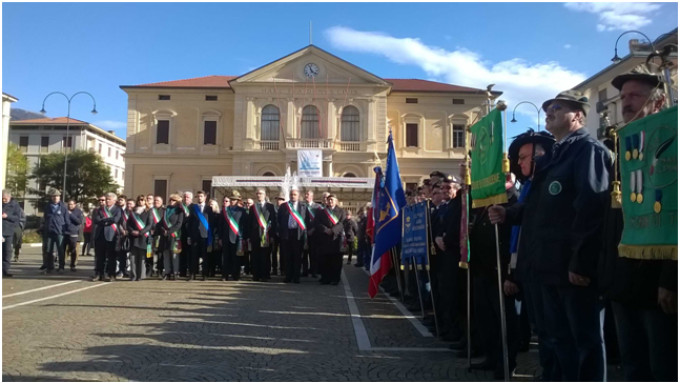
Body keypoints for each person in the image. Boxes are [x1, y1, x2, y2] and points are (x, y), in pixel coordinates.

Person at [490, 90, 611, 381]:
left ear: (578, 115)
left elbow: (591, 208)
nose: (549, 112)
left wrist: (580, 262)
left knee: (583, 344)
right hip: (544, 268)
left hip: (569, 269)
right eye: (547, 108)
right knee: (555, 341)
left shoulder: (588, 150)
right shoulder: (556, 155)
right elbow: (538, 207)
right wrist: (510, 213)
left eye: (557, 108)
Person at [602, 68, 677, 382]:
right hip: (623, 278)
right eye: (623, 98)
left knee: (662, 366)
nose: (626, 103)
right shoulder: (623, 150)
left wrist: (671, 279)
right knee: (633, 366)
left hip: (657, 281)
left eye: (635, 96)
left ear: (657, 104)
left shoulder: (671, 144)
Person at [505, 129, 557, 380]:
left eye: (525, 157)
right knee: (543, 330)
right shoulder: (528, 186)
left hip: (548, 266)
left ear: (540, 157)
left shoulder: (544, 183)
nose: (520, 162)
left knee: (554, 333)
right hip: (529, 267)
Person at [277, 188, 310, 284]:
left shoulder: (303, 207)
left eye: (295, 194)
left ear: (298, 196)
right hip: (287, 234)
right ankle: (288, 276)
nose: (293, 196)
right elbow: (279, 219)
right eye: (291, 194)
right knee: (287, 256)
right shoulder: (284, 206)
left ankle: (296, 277)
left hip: (298, 234)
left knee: (297, 256)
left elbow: (306, 221)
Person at [218, 191, 248, 281]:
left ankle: (236, 275)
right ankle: (225, 275)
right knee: (226, 257)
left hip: (237, 237)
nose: (232, 201)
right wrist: (220, 237)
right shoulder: (224, 211)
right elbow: (220, 225)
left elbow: (245, 225)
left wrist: (244, 238)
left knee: (236, 258)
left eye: (234, 200)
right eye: (231, 199)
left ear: (238, 201)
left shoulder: (242, 211)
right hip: (226, 237)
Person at [316, 194, 346, 285]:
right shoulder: (322, 212)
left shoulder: (341, 211)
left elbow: (342, 223)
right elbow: (317, 223)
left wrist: (333, 230)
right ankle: (325, 278)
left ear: (336, 201)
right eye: (329, 200)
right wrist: (326, 230)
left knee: (336, 261)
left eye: (332, 200)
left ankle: (335, 279)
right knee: (325, 260)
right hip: (324, 239)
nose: (330, 201)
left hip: (336, 239)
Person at [248, 188, 277, 282]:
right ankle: (256, 275)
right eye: (257, 194)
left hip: (266, 234)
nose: (258, 195)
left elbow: (273, 221)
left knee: (266, 256)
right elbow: (250, 222)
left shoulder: (270, 206)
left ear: (264, 195)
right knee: (255, 256)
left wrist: (272, 235)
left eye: (260, 193)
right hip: (255, 235)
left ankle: (265, 274)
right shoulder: (253, 207)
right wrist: (249, 236)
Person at [92, 192, 122, 281]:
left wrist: (104, 220)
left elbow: (116, 219)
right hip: (100, 235)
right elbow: (97, 220)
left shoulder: (117, 209)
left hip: (111, 235)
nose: (107, 201)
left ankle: (111, 274)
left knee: (111, 257)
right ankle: (99, 273)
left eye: (109, 199)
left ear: (114, 200)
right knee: (100, 256)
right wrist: (107, 220)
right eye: (106, 199)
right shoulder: (100, 209)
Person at [186, 190, 213, 281]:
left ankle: (205, 274)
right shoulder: (193, 208)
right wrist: (189, 235)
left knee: (205, 256)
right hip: (195, 235)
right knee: (194, 256)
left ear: (205, 197)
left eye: (201, 196)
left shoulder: (209, 209)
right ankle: (192, 274)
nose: (200, 198)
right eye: (198, 196)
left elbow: (211, 223)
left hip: (205, 235)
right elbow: (189, 222)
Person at [157, 193, 184, 280]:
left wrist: (169, 231)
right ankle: (167, 272)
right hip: (164, 235)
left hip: (174, 235)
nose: (171, 201)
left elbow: (179, 224)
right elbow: (161, 222)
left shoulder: (179, 211)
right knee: (166, 254)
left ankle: (175, 273)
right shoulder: (165, 210)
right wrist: (163, 230)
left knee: (174, 255)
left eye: (174, 200)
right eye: (170, 200)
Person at [41, 189, 69, 274]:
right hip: (49, 232)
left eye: (57, 196)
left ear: (59, 197)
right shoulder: (48, 207)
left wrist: (66, 231)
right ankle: (49, 267)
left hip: (59, 232)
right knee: (49, 250)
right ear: (51, 197)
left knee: (60, 250)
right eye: (53, 196)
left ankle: (61, 267)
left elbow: (67, 219)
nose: (55, 198)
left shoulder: (63, 207)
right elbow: (45, 218)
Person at [127, 195, 152, 281]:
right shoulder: (133, 211)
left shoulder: (148, 211)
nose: (140, 201)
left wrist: (141, 232)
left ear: (145, 201)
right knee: (133, 257)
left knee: (141, 258)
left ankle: (140, 276)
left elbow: (149, 224)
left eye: (142, 200)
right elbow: (128, 224)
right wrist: (131, 231)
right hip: (133, 237)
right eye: (139, 200)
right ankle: (133, 275)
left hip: (143, 237)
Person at [2, 189, 22, 277]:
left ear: (9, 197)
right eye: (2, 198)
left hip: (8, 231)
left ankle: (4, 270)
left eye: (5, 198)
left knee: (7, 251)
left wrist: (7, 216)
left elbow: (17, 218)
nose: (3, 200)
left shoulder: (15, 205)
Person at [302, 190, 320, 277]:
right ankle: (304, 271)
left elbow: (319, 220)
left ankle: (314, 271)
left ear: (312, 196)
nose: (306, 196)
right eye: (305, 194)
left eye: (308, 194)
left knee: (313, 253)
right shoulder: (301, 205)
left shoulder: (317, 207)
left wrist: (313, 229)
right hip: (303, 232)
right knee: (304, 253)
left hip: (314, 234)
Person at [64, 199, 84, 272]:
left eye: (72, 204)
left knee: (74, 250)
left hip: (74, 233)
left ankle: (73, 265)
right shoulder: (65, 211)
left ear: (75, 204)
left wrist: (71, 214)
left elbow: (79, 222)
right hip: (65, 232)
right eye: (69, 204)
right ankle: (61, 264)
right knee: (64, 250)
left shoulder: (78, 212)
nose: (70, 206)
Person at [148, 195, 164, 277]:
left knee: (159, 253)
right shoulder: (150, 210)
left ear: (161, 202)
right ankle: (150, 270)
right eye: (155, 200)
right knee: (149, 252)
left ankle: (159, 270)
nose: (156, 202)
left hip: (160, 235)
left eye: (158, 201)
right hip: (150, 234)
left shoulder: (164, 210)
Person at [179, 191, 193, 278]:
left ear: (191, 198)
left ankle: (191, 271)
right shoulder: (180, 207)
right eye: (184, 197)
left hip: (191, 232)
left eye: (188, 197)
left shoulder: (194, 207)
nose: (186, 198)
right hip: (182, 232)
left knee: (191, 254)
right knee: (182, 253)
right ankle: (182, 271)